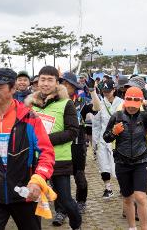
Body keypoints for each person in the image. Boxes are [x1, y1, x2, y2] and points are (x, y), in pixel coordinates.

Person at [0, 68, 55, 230]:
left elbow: (46, 152)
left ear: (12, 89)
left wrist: (38, 180)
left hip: (25, 194)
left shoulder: (29, 118)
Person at [25, 66, 82, 230]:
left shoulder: (66, 103)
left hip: (59, 159)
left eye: (50, 80)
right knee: (33, 199)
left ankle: (76, 225)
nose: (45, 83)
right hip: (35, 159)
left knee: (65, 200)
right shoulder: (30, 105)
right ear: (37, 82)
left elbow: (72, 132)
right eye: (42, 79)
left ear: (57, 83)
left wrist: (44, 140)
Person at [103, 87, 147, 230]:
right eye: (129, 105)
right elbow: (106, 138)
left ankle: (144, 228)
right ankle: (132, 227)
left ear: (140, 103)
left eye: (135, 106)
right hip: (122, 162)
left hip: (141, 161)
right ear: (125, 102)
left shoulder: (144, 116)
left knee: (140, 197)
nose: (131, 108)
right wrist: (113, 132)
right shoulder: (116, 116)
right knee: (127, 198)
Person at [58, 72, 98, 215]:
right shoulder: (56, 101)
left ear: (74, 87)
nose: (64, 86)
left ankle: (81, 202)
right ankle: (60, 210)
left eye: (67, 84)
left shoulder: (81, 101)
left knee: (79, 175)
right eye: (62, 83)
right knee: (60, 177)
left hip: (77, 144)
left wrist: (93, 92)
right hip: (60, 144)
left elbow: (96, 108)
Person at [92, 79, 123, 199]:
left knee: (118, 165)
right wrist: (95, 141)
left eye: (108, 91)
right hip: (103, 139)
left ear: (114, 90)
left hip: (117, 140)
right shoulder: (100, 103)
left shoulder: (121, 103)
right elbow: (96, 124)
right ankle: (108, 188)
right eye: (104, 91)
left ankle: (122, 186)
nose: (106, 93)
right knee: (103, 164)